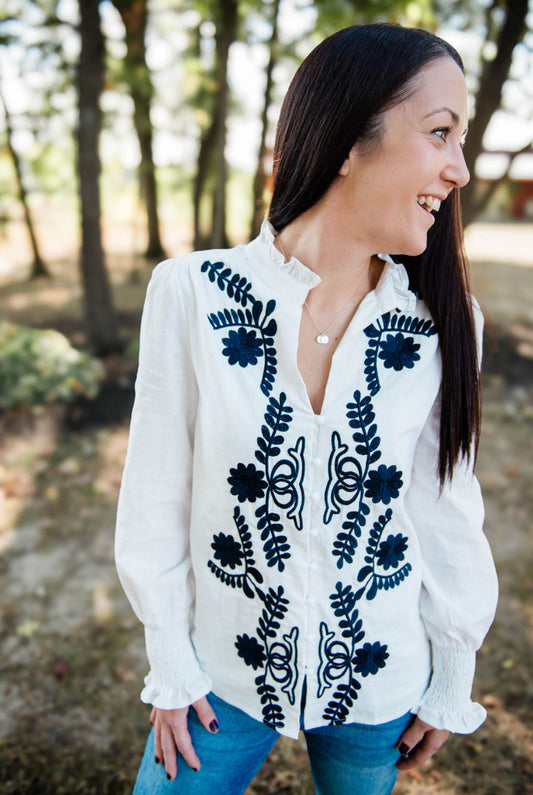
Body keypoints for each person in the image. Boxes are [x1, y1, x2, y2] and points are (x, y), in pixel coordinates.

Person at [115, 23, 498, 795]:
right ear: (348, 138)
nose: (458, 168)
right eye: (440, 133)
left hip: (382, 681)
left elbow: (444, 507)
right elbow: (155, 494)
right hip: (219, 677)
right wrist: (170, 660)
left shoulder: (443, 321)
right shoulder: (191, 293)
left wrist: (450, 671)